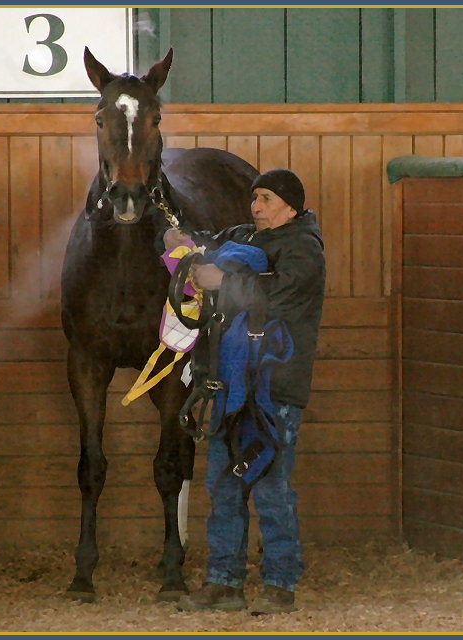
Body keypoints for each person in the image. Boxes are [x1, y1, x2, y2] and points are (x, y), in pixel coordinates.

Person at [163, 169, 326, 615]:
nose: (256, 207)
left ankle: (279, 583)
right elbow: (208, 245)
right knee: (224, 485)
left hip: (274, 387)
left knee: (270, 486)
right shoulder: (245, 238)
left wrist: (223, 282)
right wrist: (183, 243)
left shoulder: (303, 251)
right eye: (254, 198)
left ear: (290, 206)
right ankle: (224, 582)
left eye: (266, 199)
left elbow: (277, 298)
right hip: (233, 383)